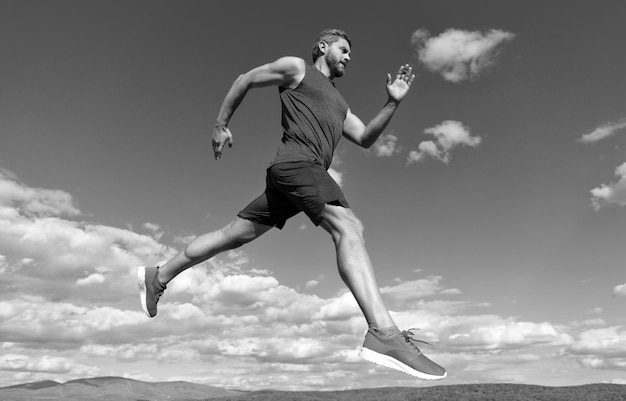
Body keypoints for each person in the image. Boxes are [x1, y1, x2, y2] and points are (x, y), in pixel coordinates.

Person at [138, 28, 446, 380]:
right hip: (297, 165)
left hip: (293, 176)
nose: (348, 57)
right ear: (323, 47)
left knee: (232, 235)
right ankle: (384, 332)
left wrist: (392, 103)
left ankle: (158, 276)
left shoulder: (340, 103)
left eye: (349, 53)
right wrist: (221, 124)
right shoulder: (297, 68)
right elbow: (245, 79)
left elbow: (364, 138)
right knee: (348, 227)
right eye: (343, 50)